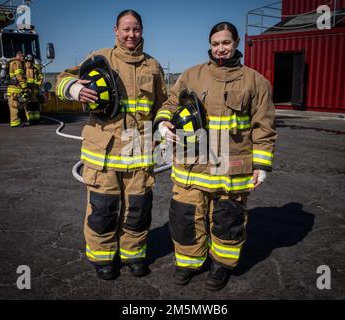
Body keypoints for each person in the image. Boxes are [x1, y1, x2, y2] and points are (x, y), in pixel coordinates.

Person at [154, 22, 277, 291]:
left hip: (232, 169)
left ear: (236, 44)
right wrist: (163, 124)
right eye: (215, 44)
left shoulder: (256, 82)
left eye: (226, 43)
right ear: (210, 45)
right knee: (185, 217)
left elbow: (264, 127)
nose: (220, 49)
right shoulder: (192, 75)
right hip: (191, 167)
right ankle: (188, 263)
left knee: (227, 220)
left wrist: (261, 165)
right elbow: (170, 104)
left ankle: (221, 266)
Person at [56, 10, 167, 280]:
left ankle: (134, 254)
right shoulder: (100, 57)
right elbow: (62, 78)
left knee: (137, 209)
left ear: (142, 31)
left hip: (140, 151)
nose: (131, 34)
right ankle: (102, 257)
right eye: (126, 29)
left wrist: (163, 125)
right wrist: (73, 89)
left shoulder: (153, 66)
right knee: (103, 208)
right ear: (115, 30)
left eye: (136, 29)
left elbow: (163, 104)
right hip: (103, 151)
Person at [7, 51, 28, 127]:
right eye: (23, 57)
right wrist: (24, 86)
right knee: (15, 107)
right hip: (15, 89)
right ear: (20, 56)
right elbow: (19, 76)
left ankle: (16, 122)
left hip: (13, 89)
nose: (24, 59)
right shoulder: (17, 63)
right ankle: (15, 123)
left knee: (16, 106)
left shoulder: (11, 62)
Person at [24, 54, 43, 123]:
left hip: (35, 90)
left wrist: (38, 84)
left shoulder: (35, 69)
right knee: (28, 105)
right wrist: (24, 87)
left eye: (30, 62)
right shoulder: (23, 69)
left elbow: (40, 77)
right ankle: (30, 119)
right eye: (27, 62)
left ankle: (37, 119)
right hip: (27, 90)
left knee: (35, 104)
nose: (28, 63)